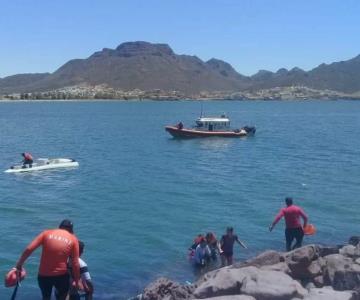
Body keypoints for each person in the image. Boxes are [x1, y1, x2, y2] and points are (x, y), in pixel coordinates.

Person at [16, 220, 80, 300]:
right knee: (62, 297)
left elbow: (29, 249)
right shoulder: (73, 239)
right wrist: (77, 281)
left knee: (46, 297)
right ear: (71, 230)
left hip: (44, 275)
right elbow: (75, 263)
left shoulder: (46, 233)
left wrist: (19, 265)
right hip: (61, 276)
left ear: (59, 227)